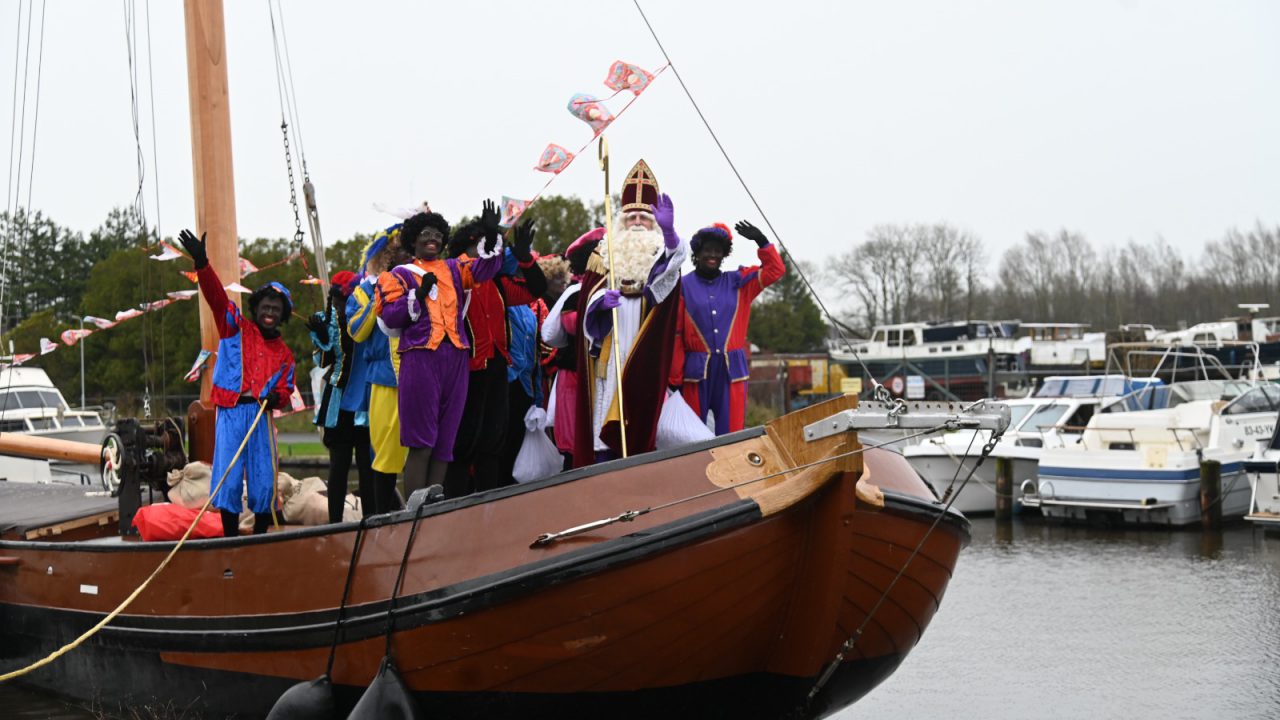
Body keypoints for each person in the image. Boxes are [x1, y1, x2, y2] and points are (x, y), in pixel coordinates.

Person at [377, 204, 504, 497]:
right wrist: (417, 296)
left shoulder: (454, 268)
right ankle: (414, 513)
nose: (431, 238)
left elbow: (487, 268)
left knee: (445, 443)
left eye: (436, 233)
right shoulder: (398, 275)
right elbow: (391, 316)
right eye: (425, 233)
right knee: (422, 442)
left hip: (456, 357)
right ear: (413, 241)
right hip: (421, 357)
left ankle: (434, 508)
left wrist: (491, 232)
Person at [177, 228, 296, 537]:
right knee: (228, 477)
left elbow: (286, 389)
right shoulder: (234, 326)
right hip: (230, 412)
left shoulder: (285, 354)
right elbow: (216, 296)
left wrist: (277, 398)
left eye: (276, 309)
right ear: (255, 309)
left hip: (261, 417)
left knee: (264, 479)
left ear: (282, 316)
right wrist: (202, 263)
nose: (269, 313)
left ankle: (259, 537)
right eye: (266, 307)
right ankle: (229, 538)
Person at [575, 160, 687, 465]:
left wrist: (670, 233)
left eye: (646, 215)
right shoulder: (602, 253)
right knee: (607, 396)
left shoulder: (659, 250)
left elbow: (671, 273)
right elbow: (587, 298)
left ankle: (635, 465)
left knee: (638, 401)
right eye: (632, 215)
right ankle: (602, 464)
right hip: (610, 341)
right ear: (621, 219)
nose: (638, 221)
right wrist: (598, 303)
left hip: (643, 336)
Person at [443, 214, 545, 497]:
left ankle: (489, 509)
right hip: (467, 369)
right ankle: (454, 509)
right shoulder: (454, 278)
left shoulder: (498, 284)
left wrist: (525, 258)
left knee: (492, 443)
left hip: (498, 367)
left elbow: (537, 290)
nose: (487, 250)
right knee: (464, 444)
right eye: (480, 244)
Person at [669, 221, 785, 434]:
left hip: (732, 370)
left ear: (724, 255)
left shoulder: (739, 281)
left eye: (717, 251)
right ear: (698, 253)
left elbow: (775, 270)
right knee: (691, 436)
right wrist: (675, 378)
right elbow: (676, 334)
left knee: (732, 435)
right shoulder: (682, 286)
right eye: (707, 250)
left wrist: (762, 241)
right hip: (696, 371)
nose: (712, 255)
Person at [345, 226, 410, 515]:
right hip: (384, 379)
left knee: (419, 450)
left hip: (420, 375)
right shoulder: (363, 291)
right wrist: (379, 295)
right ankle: (379, 519)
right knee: (384, 455)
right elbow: (357, 331)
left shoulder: (420, 282)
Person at [306, 271, 372, 523]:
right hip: (338, 400)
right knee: (339, 466)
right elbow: (324, 362)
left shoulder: (367, 319)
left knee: (368, 466)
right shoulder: (328, 322)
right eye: (337, 302)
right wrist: (322, 339)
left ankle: (371, 520)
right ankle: (334, 522)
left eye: (345, 301)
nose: (341, 307)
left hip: (364, 401)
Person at [542, 230, 603, 468]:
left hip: (606, 376)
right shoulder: (575, 294)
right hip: (576, 375)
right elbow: (555, 332)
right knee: (575, 442)